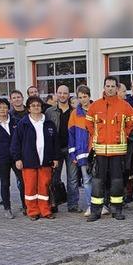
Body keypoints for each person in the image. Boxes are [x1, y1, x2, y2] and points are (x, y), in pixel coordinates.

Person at [84, 76, 133, 222]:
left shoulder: (124, 105)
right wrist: (96, 136)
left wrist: (123, 134)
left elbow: (131, 123)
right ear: (104, 87)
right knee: (98, 182)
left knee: (117, 181)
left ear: (117, 88)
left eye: (113, 86)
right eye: (108, 86)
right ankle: (95, 211)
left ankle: (116, 210)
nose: (110, 88)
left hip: (118, 152)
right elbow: (88, 124)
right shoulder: (95, 106)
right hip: (100, 151)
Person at [10, 96, 59, 220]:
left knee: (44, 186)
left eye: (38, 105)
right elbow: (16, 143)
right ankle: (32, 211)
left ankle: (45, 210)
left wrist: (55, 158)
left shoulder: (49, 123)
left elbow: (55, 143)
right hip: (28, 161)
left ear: (41, 107)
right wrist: (17, 159)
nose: (36, 108)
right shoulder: (23, 124)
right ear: (28, 108)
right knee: (30, 187)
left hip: (46, 161)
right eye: (33, 106)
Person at [45, 85, 79, 213]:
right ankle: (54, 203)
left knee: (73, 178)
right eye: (60, 93)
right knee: (54, 178)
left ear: (68, 95)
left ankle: (73, 204)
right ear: (56, 94)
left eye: (65, 93)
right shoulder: (49, 112)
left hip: (71, 149)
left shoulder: (75, 111)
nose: (62, 95)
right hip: (56, 150)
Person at [68, 85, 94, 215]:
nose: (83, 100)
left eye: (85, 96)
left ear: (89, 96)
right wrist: (73, 153)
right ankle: (91, 205)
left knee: (99, 179)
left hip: (96, 150)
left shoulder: (97, 109)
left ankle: (102, 204)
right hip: (82, 152)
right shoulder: (74, 114)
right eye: (80, 97)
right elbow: (71, 135)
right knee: (87, 180)